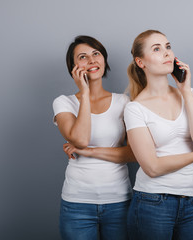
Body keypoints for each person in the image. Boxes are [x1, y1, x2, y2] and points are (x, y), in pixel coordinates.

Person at [124, 30, 193, 240]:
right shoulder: (135, 109)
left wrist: (185, 90)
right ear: (141, 62)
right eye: (156, 49)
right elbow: (152, 167)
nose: (166, 53)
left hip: (191, 200)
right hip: (152, 203)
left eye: (167, 47)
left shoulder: (190, 94)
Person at [52, 35, 135, 240]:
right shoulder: (64, 103)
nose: (91, 60)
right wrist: (85, 93)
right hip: (77, 205)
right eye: (83, 56)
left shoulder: (124, 102)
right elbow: (79, 139)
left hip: (119, 202)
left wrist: (88, 152)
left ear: (104, 59)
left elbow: (133, 153)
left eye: (96, 53)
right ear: (73, 67)